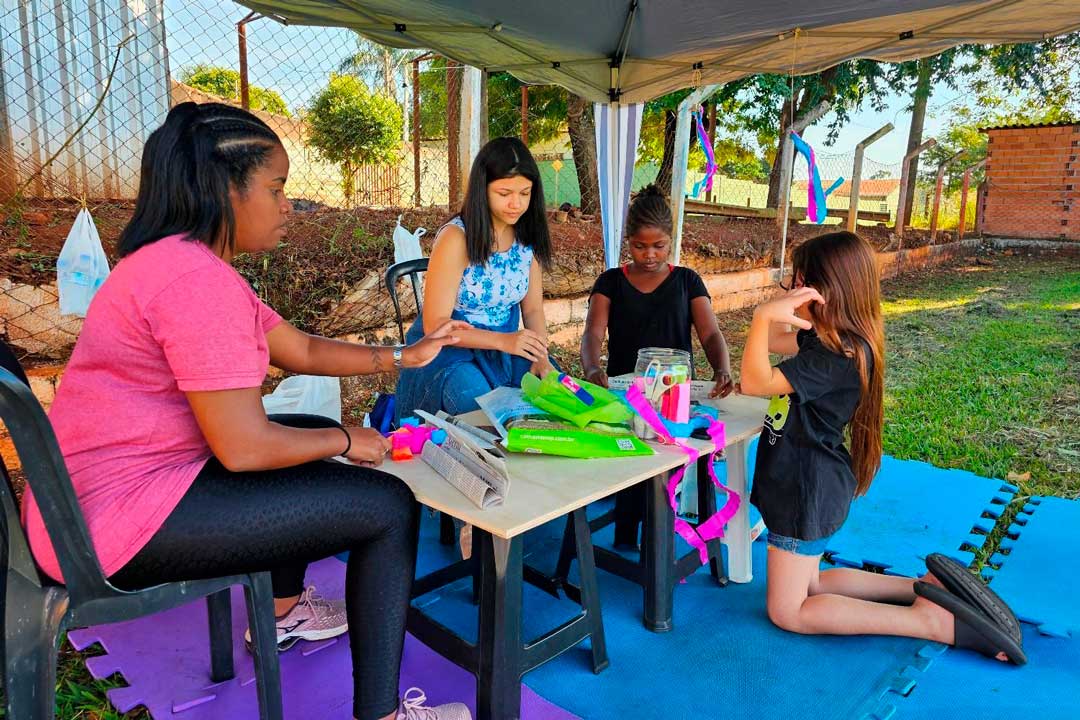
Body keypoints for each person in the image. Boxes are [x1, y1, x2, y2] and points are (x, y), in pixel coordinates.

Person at [20, 102, 473, 720]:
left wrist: (403, 355)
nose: (289, 205)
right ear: (222, 188)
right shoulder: (192, 282)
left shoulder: (176, 262)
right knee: (389, 507)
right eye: (277, 188)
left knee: (305, 429)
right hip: (109, 525)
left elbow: (303, 349)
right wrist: (348, 440)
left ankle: (282, 615)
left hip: (87, 499)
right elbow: (245, 448)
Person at [741, 230, 1022, 664]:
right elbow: (777, 343)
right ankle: (925, 589)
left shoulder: (832, 357)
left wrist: (762, 316)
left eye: (801, 283)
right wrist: (784, 316)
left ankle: (930, 622)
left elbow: (755, 380)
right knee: (813, 583)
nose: (794, 290)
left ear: (828, 291)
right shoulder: (835, 341)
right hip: (810, 481)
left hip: (803, 487)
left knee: (789, 609)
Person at [580, 184, 733, 547]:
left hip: (674, 401)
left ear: (671, 240)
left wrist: (722, 367)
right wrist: (590, 369)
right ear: (627, 242)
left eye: (658, 246)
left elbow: (710, 333)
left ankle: (656, 536)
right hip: (625, 397)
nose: (649, 255)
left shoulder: (686, 281)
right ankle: (628, 532)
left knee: (662, 472)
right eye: (639, 246)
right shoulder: (611, 282)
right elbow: (592, 334)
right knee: (632, 464)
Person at [394, 137, 555, 422]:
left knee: (553, 401)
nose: (516, 204)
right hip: (449, 354)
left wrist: (541, 356)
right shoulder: (456, 238)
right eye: (504, 193)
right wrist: (504, 341)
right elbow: (436, 326)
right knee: (488, 416)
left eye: (525, 193)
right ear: (483, 190)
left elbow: (532, 310)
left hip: (505, 349)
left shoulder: (526, 235)